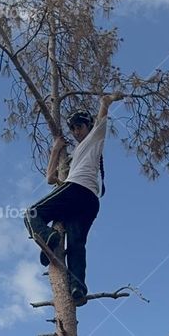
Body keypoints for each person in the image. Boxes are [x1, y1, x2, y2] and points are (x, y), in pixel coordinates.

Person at [24, 93, 116, 306]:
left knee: (32, 213)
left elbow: (102, 119)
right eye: (73, 128)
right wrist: (56, 150)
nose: (76, 132)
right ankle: (78, 287)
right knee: (76, 243)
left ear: (88, 126)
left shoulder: (95, 138)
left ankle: (48, 237)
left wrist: (105, 102)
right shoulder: (76, 155)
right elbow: (50, 178)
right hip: (89, 201)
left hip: (77, 189)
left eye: (79, 127)